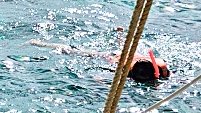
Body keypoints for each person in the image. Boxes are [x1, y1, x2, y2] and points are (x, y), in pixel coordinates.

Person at [30, 35, 170, 82]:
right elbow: (101, 76)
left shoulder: (160, 67)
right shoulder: (123, 69)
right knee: (74, 52)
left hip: (124, 54)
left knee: (124, 46)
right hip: (114, 56)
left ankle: (119, 35)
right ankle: (40, 44)